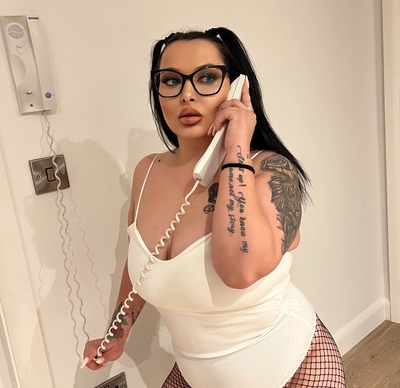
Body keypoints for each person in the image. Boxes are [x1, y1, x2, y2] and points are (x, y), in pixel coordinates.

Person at [83, 27, 346, 387]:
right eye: (171, 80)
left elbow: (240, 271)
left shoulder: (271, 169)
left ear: (237, 89)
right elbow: (139, 266)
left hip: (295, 367)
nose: (187, 94)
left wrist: (237, 146)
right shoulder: (147, 171)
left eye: (207, 77)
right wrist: (117, 333)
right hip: (197, 374)